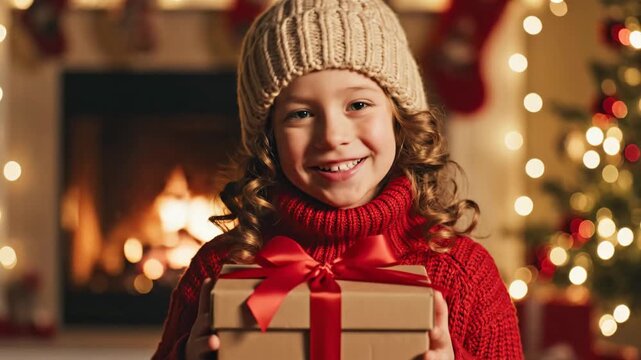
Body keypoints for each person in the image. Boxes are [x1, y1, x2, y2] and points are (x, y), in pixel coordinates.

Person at [152, 0, 524, 359]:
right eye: (300, 114)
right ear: (269, 139)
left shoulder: (464, 273)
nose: (332, 136)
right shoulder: (218, 268)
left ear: (399, 119)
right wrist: (187, 355)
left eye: (358, 105)